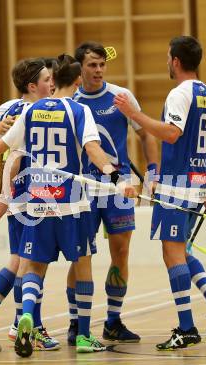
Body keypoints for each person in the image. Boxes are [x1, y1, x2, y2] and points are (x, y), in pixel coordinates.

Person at [0, 54, 137, 357]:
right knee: (82, 264)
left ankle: (27, 315)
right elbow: (93, 150)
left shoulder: (32, 110)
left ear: (53, 81)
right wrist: (118, 178)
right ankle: (82, 336)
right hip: (71, 204)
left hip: (37, 203)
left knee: (35, 266)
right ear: (78, 80)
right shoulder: (79, 110)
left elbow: (2, 148)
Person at [113, 35, 206, 350]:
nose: (167, 63)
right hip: (197, 183)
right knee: (183, 250)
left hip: (176, 185)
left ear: (176, 61)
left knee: (172, 254)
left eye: (168, 58)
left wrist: (133, 114)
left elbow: (171, 133)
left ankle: (186, 327)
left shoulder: (180, 94)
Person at [64, 41, 158, 345]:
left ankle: (113, 321)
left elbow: (146, 134)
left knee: (121, 251)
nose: (99, 70)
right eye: (92, 65)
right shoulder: (70, 101)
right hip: (83, 188)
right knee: (80, 256)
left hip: (119, 188)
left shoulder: (121, 97)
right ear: (79, 70)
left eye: (102, 64)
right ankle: (76, 323)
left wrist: (153, 173)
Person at [0, 58, 60, 352]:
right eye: (46, 79)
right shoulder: (32, 111)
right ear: (32, 86)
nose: (52, 83)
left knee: (19, 261)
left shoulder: (17, 107)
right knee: (34, 263)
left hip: (18, 193)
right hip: (33, 194)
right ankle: (28, 326)